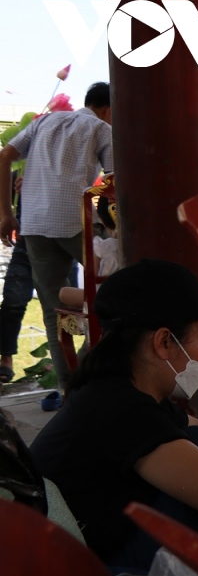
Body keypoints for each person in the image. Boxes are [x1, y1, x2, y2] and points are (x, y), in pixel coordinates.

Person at [29, 260, 198, 576]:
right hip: (84, 574)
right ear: (164, 342)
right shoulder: (118, 407)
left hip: (101, 548)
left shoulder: (125, 392)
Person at [0, 81, 113, 389]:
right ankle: (88, 366)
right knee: (116, 292)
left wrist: (6, 212)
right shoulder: (102, 129)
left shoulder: (44, 121)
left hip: (34, 224)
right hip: (75, 223)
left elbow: (4, 156)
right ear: (108, 110)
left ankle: (68, 388)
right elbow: (115, 183)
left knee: (54, 311)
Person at [58, 196, 121, 309]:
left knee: (64, 293)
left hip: (106, 298)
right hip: (131, 296)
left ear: (103, 222)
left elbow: (92, 280)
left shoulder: (101, 245)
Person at [0, 173, 34, 384]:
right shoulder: (25, 150)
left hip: (61, 238)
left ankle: (68, 367)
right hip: (26, 237)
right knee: (13, 300)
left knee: (61, 307)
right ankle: (5, 358)